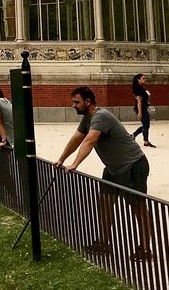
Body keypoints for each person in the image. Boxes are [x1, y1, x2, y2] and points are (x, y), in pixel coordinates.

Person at [54, 86, 153, 260]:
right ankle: (105, 243)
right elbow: (77, 138)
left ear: (88, 101)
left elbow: (90, 141)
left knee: (138, 208)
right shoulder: (88, 118)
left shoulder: (101, 116)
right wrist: (62, 159)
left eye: (76, 102)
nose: (73, 105)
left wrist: (75, 163)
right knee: (105, 204)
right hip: (113, 169)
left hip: (133, 165)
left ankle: (145, 248)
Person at [132, 73, 155, 148]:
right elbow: (139, 101)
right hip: (141, 108)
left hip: (144, 107)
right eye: (143, 78)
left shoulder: (142, 88)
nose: (145, 79)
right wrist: (140, 112)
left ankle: (133, 135)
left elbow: (145, 99)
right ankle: (146, 141)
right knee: (146, 125)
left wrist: (149, 105)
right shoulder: (138, 89)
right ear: (138, 80)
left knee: (145, 125)